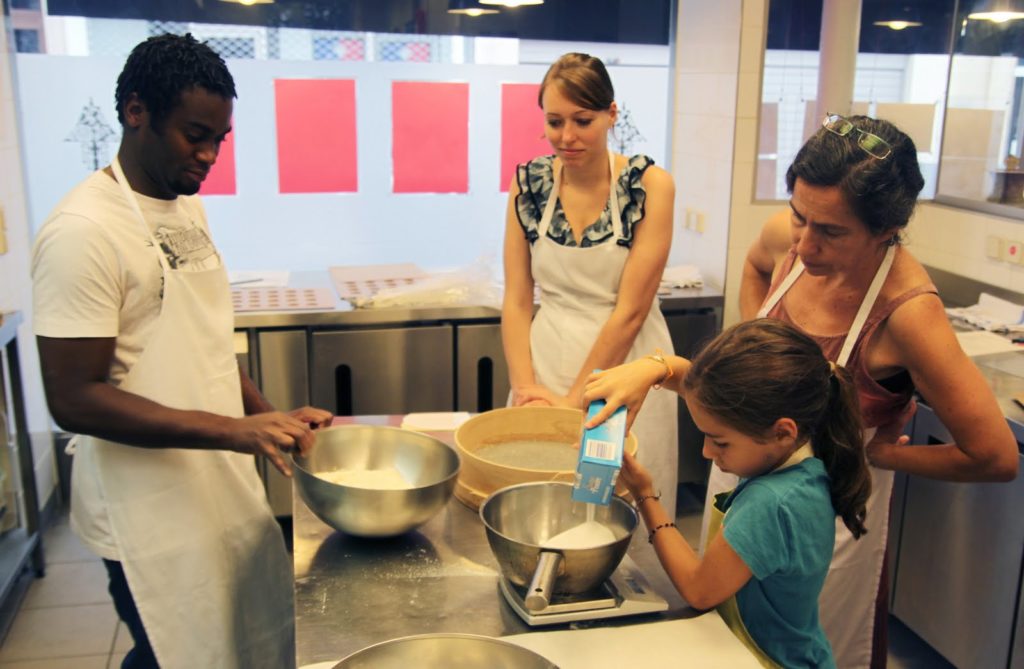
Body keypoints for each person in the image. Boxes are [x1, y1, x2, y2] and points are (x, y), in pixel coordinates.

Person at [588, 114, 1020, 669]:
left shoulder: (910, 314)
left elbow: (995, 455)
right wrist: (754, 353)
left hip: (828, 508)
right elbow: (754, 261)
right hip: (743, 461)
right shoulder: (788, 238)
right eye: (799, 218)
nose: (805, 246)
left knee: (806, 643)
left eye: (831, 232)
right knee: (729, 630)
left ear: (885, 228)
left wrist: (882, 452)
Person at [31, 34, 332, 669]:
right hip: (146, 508)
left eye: (220, 139)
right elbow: (73, 398)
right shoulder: (83, 232)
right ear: (137, 111)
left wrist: (268, 417)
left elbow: (208, 343)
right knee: (172, 651)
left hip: (216, 484)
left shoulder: (185, 206)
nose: (209, 155)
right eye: (195, 134)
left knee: (235, 643)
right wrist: (235, 429)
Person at [586, 319, 870, 668]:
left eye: (719, 441)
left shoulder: (770, 503)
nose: (706, 452)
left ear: (782, 431)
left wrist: (645, 494)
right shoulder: (804, 452)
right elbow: (693, 383)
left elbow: (699, 590)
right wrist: (651, 369)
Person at [501, 52, 680, 515]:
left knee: (622, 506)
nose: (567, 136)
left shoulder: (649, 186)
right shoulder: (530, 184)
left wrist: (574, 404)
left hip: (625, 368)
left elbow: (631, 310)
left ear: (611, 114)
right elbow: (518, 299)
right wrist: (527, 394)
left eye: (583, 120)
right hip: (546, 362)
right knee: (546, 506)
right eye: (555, 121)